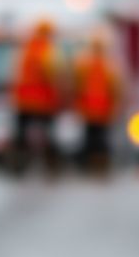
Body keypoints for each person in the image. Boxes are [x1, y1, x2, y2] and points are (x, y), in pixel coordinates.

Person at [9, 19, 65, 173]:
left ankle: (18, 164)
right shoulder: (49, 50)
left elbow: (15, 73)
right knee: (49, 135)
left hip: (24, 100)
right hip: (44, 101)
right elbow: (54, 73)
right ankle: (51, 165)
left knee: (21, 136)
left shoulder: (25, 49)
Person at [73, 34, 122, 173]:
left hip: (89, 108)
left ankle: (89, 162)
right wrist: (116, 105)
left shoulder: (83, 63)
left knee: (89, 137)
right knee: (101, 137)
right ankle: (100, 162)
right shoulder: (110, 65)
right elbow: (116, 87)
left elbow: (77, 85)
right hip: (103, 109)